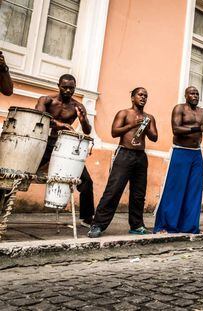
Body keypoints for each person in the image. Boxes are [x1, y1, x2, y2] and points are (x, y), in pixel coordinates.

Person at [88, 87, 158, 238]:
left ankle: (137, 225)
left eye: (146, 95)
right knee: (113, 190)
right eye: (140, 94)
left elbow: (154, 137)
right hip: (124, 153)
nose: (143, 97)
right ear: (132, 98)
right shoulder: (124, 113)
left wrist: (145, 127)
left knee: (138, 194)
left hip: (140, 157)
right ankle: (97, 225)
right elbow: (114, 132)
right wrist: (133, 125)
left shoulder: (149, 117)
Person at [153, 86, 203, 234]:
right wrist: (199, 128)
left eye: (197, 94)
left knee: (194, 190)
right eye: (192, 93)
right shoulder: (179, 108)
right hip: (180, 152)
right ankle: (166, 226)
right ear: (186, 95)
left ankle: (189, 226)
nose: (195, 96)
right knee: (175, 189)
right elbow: (176, 129)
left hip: (196, 154)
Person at [36, 74, 94, 227]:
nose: (68, 90)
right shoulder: (47, 100)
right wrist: (59, 124)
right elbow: (39, 117)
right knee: (18, 174)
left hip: (65, 146)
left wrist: (83, 120)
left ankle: (88, 218)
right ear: (58, 85)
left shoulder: (77, 106)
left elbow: (87, 131)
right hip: (44, 142)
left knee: (86, 181)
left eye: (72, 88)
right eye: (65, 87)